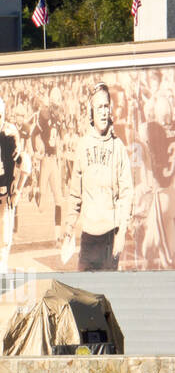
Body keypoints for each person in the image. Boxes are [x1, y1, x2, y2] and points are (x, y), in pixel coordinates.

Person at [61, 83, 134, 270]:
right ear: (91, 112)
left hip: (111, 237)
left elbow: (126, 195)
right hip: (88, 237)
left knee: (107, 296)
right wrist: (69, 227)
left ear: (110, 110)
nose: (103, 112)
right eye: (98, 107)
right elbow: (75, 194)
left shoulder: (118, 148)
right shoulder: (83, 146)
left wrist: (122, 234)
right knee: (84, 296)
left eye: (106, 107)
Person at [0, 95, 30, 272]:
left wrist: (17, 190)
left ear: (3, 116)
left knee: (3, 244)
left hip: (6, 195)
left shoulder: (10, 135)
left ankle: (0, 276)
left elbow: (25, 163)